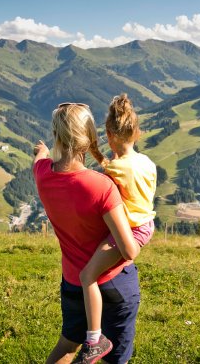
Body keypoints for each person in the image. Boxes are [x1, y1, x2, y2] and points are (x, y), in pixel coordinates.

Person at [33, 102, 141, 364]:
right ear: (90, 138)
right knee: (115, 358)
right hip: (113, 281)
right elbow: (129, 250)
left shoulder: (42, 174)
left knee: (68, 345)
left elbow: (40, 158)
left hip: (72, 280)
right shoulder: (101, 186)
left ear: (57, 136)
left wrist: (42, 151)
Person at [79, 94, 156, 361]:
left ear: (109, 134)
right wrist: (97, 153)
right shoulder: (146, 162)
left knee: (87, 276)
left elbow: (104, 182)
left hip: (130, 232)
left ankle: (94, 339)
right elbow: (116, 168)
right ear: (136, 133)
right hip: (147, 224)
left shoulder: (113, 171)